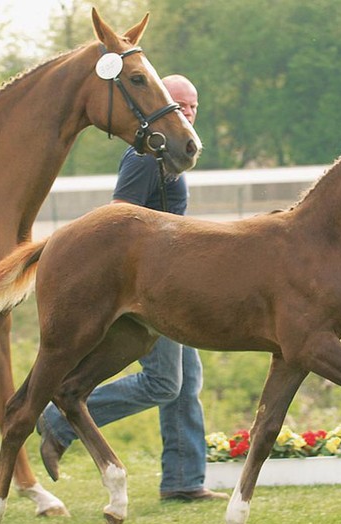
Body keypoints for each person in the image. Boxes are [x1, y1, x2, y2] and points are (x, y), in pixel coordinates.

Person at [37, 75, 227, 501]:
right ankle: (59, 418)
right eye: (180, 106)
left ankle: (183, 481)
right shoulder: (146, 156)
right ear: (161, 108)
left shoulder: (172, 155)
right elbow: (118, 215)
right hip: (147, 288)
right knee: (164, 383)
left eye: (193, 106)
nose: (189, 114)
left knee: (186, 383)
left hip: (173, 283)